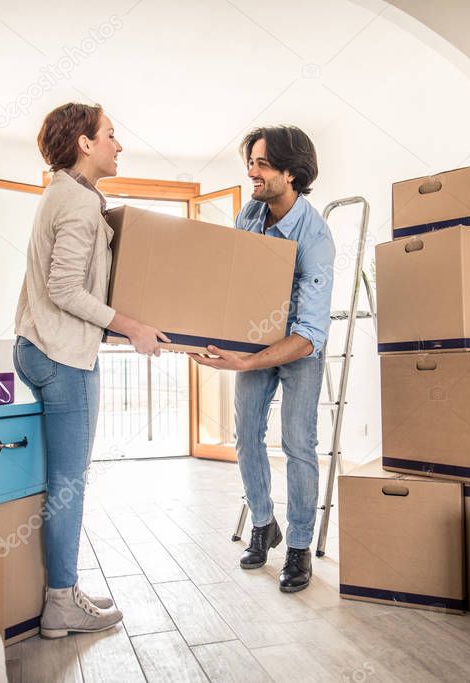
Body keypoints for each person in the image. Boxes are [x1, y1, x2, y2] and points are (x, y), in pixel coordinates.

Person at [14, 102, 169, 637]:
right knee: (68, 483)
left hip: (37, 345)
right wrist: (131, 325)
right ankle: (60, 601)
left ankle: (63, 587)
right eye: (110, 134)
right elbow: (63, 289)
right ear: (84, 143)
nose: (118, 144)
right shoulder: (78, 205)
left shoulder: (63, 194)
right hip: (63, 357)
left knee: (60, 479)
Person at [190, 125, 335, 593]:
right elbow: (236, 284)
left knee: (297, 443)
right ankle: (263, 523)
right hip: (255, 338)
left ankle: (297, 547)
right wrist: (213, 336)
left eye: (261, 164)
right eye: (249, 161)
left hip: (297, 346)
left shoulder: (316, 238)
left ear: (291, 174)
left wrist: (246, 364)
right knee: (246, 434)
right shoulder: (249, 214)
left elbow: (311, 334)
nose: (251, 172)